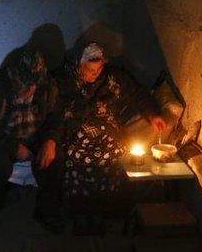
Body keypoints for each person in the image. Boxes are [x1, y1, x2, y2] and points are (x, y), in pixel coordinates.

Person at [56, 41, 166, 235]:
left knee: (113, 156)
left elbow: (138, 94)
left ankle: (101, 211)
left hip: (108, 130)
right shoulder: (65, 81)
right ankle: (80, 212)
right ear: (78, 66)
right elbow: (58, 112)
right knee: (78, 158)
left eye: (99, 69)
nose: (95, 74)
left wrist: (153, 115)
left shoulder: (114, 79)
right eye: (90, 69)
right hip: (77, 130)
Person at [0, 49, 64, 242]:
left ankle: (46, 211)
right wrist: (13, 148)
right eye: (25, 84)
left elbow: (56, 118)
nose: (29, 90)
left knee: (55, 161)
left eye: (33, 85)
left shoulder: (47, 85)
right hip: (3, 138)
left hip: (34, 136)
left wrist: (50, 140)